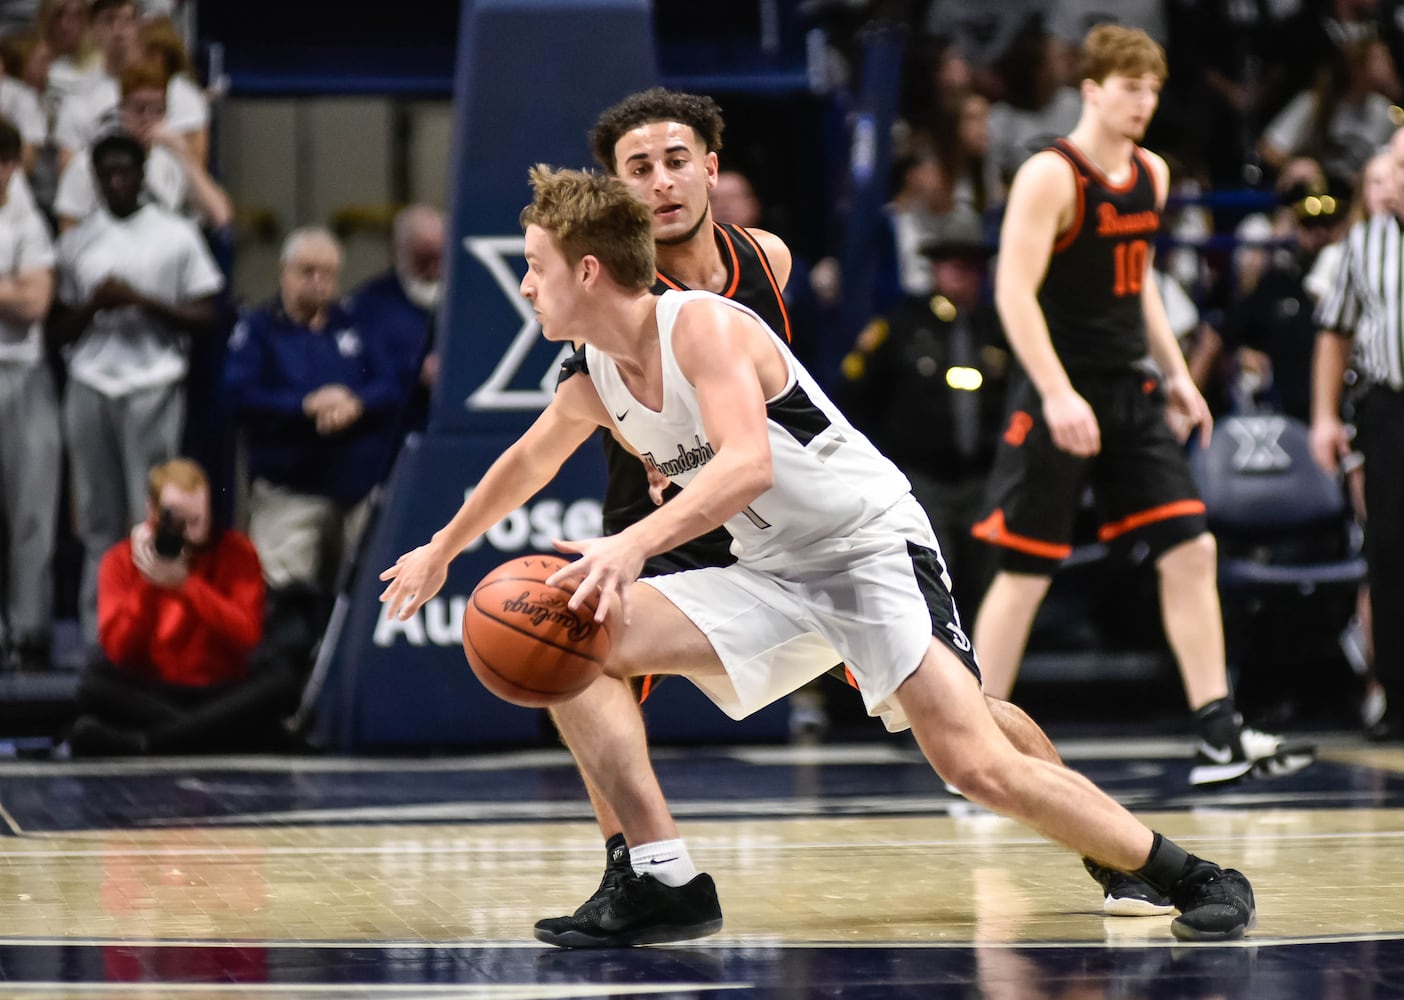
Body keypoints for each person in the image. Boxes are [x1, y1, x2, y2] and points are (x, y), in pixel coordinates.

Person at [379, 164, 1258, 948]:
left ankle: (1189, 874)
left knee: (973, 759)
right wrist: (440, 549)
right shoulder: (592, 372)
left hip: (869, 550)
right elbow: (526, 462)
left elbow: (746, 462)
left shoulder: (703, 330)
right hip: (772, 571)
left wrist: (633, 543)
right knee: (577, 629)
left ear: (586, 270)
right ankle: (662, 877)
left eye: (534, 266)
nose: (525, 285)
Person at [544, 87, 1171, 937]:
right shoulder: (603, 303)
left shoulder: (764, 257)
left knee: (967, 720)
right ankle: (642, 871)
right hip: (675, 539)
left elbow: (762, 426)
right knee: (573, 656)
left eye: (676, 160)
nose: (660, 183)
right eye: (639, 169)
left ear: (711, 169)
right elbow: (572, 431)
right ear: (616, 194)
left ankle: (1110, 848)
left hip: (800, 529)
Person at [966, 24, 1316, 786]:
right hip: (1056, 387)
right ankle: (978, 748)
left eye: (1152, 89)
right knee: (1026, 569)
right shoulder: (1051, 175)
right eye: (1129, 87)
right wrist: (1057, 392)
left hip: (1131, 388)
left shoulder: (1153, 174)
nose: (1143, 102)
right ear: (1091, 89)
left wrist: (1180, 375)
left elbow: (1141, 285)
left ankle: (1217, 733)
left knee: (1191, 548)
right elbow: (1012, 294)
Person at [50, 128, 223, 662]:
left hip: (152, 382)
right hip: (91, 383)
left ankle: (155, 638)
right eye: (107, 173)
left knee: (149, 517)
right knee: (98, 520)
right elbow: (57, 328)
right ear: (96, 179)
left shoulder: (174, 234)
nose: (117, 180)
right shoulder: (77, 242)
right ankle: (102, 636)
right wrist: (94, 307)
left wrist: (142, 302)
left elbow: (207, 313)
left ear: (142, 174)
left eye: (126, 170)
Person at [223, 227, 404, 648]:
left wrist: (352, 402)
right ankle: (284, 692)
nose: (319, 281)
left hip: (355, 494)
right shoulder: (258, 330)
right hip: (290, 492)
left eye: (328, 272)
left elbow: (393, 384)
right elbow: (237, 394)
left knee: (361, 597)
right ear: (284, 272)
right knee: (283, 601)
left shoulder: (355, 323)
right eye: (307, 271)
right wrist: (305, 406)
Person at [65, 457, 300, 756]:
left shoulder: (236, 552)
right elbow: (119, 651)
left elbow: (247, 635)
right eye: (178, 520)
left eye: (196, 521)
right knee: (92, 685)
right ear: (153, 512)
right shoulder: (120, 560)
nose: (187, 532)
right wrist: (149, 584)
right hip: (153, 692)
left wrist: (187, 586)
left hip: (220, 690)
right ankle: (210, 738)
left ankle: (150, 743)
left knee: (280, 684)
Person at [842, 207, 1009, 615]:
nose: (961, 274)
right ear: (934, 268)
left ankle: (988, 672)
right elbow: (856, 397)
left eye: (971, 265)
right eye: (952, 263)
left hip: (984, 480)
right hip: (921, 479)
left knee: (989, 586)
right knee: (932, 581)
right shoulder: (901, 326)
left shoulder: (997, 329)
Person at [1310, 125, 1404, 742]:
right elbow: (1334, 331)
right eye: (1393, 166)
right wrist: (1323, 416)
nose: (1393, 179)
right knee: (1389, 551)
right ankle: (1394, 696)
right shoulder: (1362, 242)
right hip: (1388, 406)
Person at [0, 116, 59, 673]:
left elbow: (35, 303)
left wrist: (17, 293)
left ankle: (30, 632)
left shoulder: (27, 222)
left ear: (13, 166)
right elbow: (15, 296)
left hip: (22, 374)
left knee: (31, 512)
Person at [53, 58, 231, 230]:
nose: (148, 119)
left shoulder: (173, 161)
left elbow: (220, 216)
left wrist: (183, 151)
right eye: (139, 109)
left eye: (157, 110)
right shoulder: (88, 163)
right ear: (121, 109)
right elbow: (69, 232)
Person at [346, 203, 445, 442]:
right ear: (399, 251)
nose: (434, 268)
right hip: (390, 435)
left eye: (440, 256)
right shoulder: (368, 305)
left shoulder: (466, 298)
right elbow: (363, 372)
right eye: (423, 258)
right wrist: (414, 370)